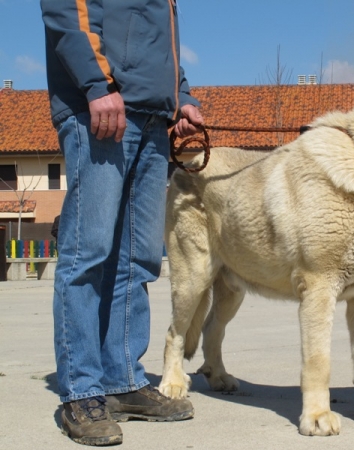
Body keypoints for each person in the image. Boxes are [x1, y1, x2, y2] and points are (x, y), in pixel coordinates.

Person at [41, 1, 205, 446]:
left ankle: (124, 381)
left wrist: (182, 97)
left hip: (153, 118)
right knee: (88, 253)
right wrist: (96, 85)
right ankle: (82, 390)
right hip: (102, 110)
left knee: (138, 259)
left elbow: (160, 45)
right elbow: (64, 12)